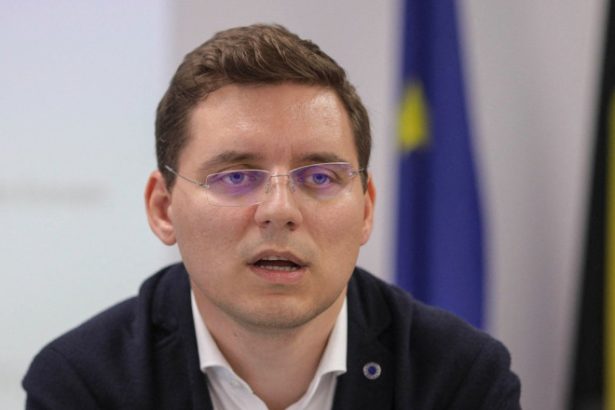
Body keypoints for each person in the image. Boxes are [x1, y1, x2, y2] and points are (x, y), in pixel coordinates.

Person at [22, 24, 521, 409]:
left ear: (366, 208)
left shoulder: (459, 378)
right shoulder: (84, 385)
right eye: (236, 176)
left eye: (320, 177)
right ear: (162, 208)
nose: (280, 210)